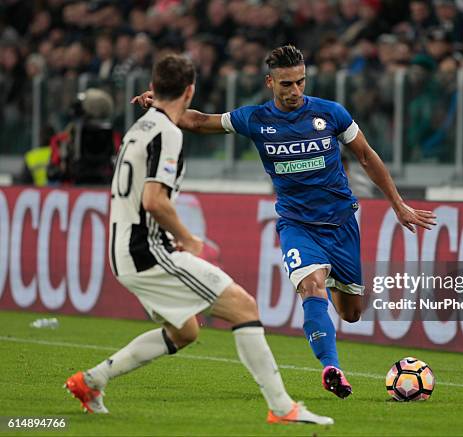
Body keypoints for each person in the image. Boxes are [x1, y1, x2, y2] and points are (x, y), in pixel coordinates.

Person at [132, 45, 436, 399]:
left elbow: (366, 156)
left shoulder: (331, 113)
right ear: (270, 82)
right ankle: (331, 367)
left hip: (341, 224)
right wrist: (164, 104)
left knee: (351, 313)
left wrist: (397, 204)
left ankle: (329, 318)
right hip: (297, 225)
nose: (294, 91)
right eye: (286, 84)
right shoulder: (255, 119)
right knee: (311, 287)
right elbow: (199, 121)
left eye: (300, 82)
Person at [65, 54, 333, 426]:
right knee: (244, 307)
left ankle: (92, 381)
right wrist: (189, 239)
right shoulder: (168, 134)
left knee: (185, 330)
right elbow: (154, 200)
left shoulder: (140, 128)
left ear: (154, 89)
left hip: (124, 248)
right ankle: (282, 407)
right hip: (147, 251)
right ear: (190, 90)